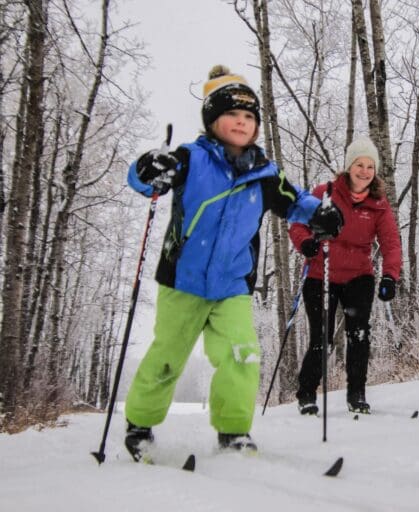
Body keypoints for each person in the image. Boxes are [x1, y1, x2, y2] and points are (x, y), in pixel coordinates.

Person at [122, 65, 343, 461]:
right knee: (168, 356)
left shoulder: (265, 174)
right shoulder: (190, 158)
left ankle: (233, 433)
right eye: (231, 114)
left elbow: (296, 201)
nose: (241, 122)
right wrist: (147, 170)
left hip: (233, 285)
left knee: (242, 354)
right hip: (183, 280)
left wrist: (320, 214)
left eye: (248, 116)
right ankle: (140, 425)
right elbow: (145, 180)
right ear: (212, 121)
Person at [289, 136, 402, 415]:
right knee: (322, 338)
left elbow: (391, 242)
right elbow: (297, 222)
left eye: (370, 166)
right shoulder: (325, 194)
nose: (364, 171)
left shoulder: (378, 204)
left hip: (358, 277)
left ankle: (356, 394)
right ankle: (307, 394)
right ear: (349, 167)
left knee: (359, 335)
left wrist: (390, 276)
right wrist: (306, 243)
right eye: (359, 165)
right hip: (321, 274)